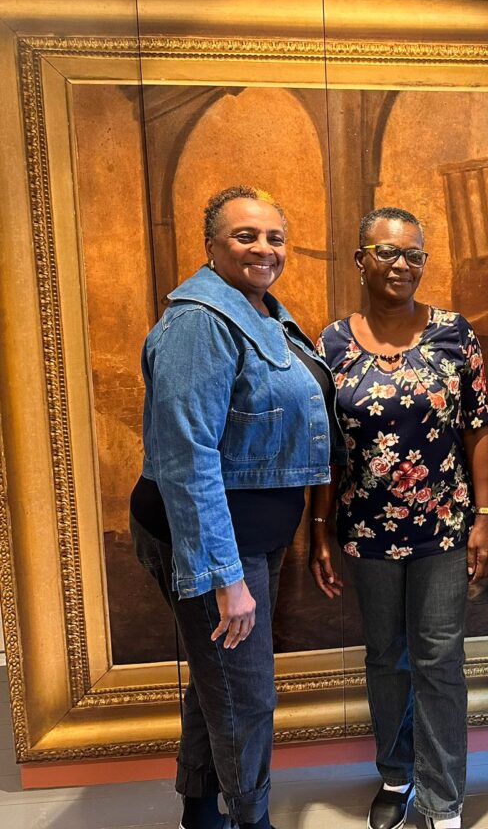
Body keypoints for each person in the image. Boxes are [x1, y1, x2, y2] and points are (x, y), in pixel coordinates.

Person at [130, 186, 344, 829]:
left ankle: (201, 812)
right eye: (245, 236)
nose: (264, 248)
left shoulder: (258, 310)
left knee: (215, 679)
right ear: (211, 245)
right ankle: (252, 820)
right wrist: (224, 576)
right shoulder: (202, 320)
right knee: (246, 696)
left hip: (251, 533)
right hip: (213, 539)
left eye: (274, 237)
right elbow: (187, 455)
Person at [311, 206, 488, 829]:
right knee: (384, 656)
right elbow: (327, 448)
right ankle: (396, 775)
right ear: (361, 259)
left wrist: (485, 515)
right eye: (388, 253)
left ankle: (444, 797)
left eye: (414, 254)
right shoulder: (331, 343)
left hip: (444, 526)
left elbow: (477, 428)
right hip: (366, 530)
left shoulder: (453, 333)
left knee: (439, 658)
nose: (402, 265)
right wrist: (320, 529)